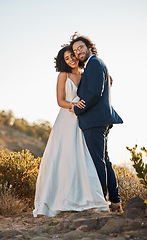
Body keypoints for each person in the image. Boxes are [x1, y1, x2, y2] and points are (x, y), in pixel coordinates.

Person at [33, 45, 109, 217]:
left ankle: (84, 197)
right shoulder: (63, 75)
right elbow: (60, 101)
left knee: (82, 157)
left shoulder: (84, 74)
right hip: (66, 119)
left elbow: (94, 89)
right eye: (67, 58)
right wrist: (73, 105)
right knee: (64, 156)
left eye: (72, 56)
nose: (71, 60)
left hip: (82, 119)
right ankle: (59, 199)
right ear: (64, 62)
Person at [70, 34, 123, 212]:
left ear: (89, 47)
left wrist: (77, 110)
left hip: (94, 121)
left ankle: (100, 201)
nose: (78, 52)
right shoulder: (96, 65)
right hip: (100, 120)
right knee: (104, 160)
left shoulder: (94, 63)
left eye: (80, 47)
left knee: (96, 162)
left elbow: (93, 93)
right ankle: (115, 200)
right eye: (75, 50)